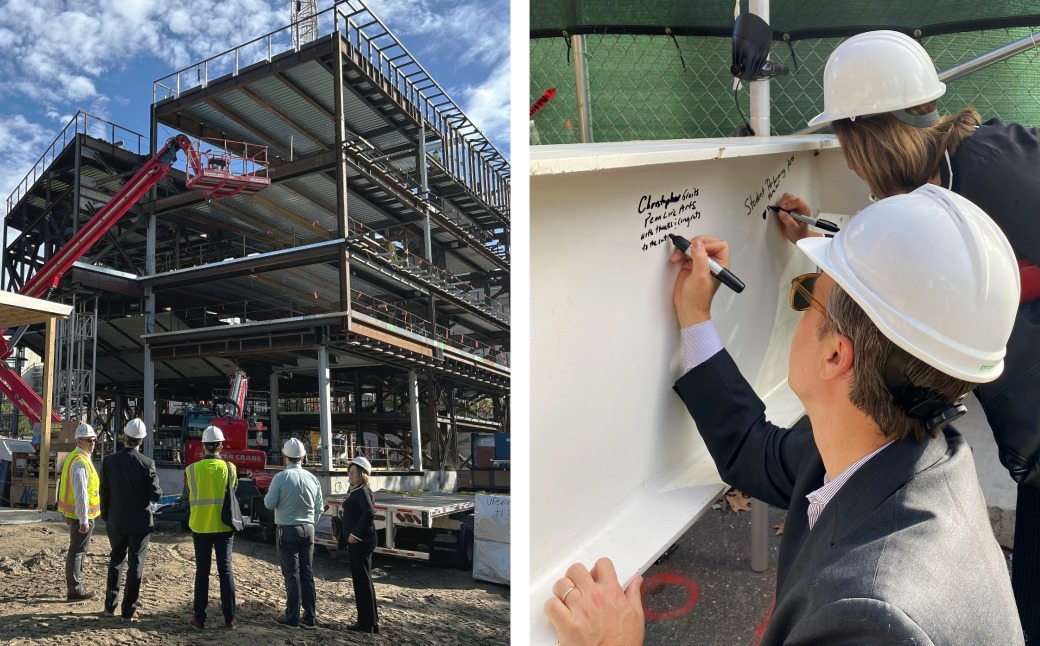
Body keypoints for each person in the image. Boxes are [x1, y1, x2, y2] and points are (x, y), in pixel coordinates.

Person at [547, 187, 1024, 644]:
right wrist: (695, 316)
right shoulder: (903, 452)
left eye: (806, 295)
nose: (797, 307)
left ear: (836, 356)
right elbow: (750, 449)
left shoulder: (875, 620)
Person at [774, 30, 1040, 642]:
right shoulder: (963, 167)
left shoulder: (989, 180)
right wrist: (828, 242)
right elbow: (920, 277)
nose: (845, 159)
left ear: (863, 135)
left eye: (844, 142)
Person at [99, 418, 163, 622]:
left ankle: (110, 607)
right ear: (141, 440)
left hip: (116, 520)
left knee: (116, 560)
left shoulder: (109, 462)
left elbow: (104, 492)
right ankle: (128, 610)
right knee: (136, 564)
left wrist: (106, 515)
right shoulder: (147, 464)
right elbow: (156, 495)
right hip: (139, 523)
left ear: (124, 437)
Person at [264, 437, 323, 630]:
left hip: (287, 529)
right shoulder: (312, 478)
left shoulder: (280, 478)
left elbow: (269, 503)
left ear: (284, 457)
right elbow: (319, 508)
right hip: (309, 529)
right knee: (307, 573)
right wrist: (310, 522)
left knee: (292, 574)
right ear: (303, 457)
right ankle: (310, 617)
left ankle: (292, 617)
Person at [185, 425, 239, 630]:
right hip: (224, 527)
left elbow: (188, 493)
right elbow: (233, 490)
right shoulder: (230, 468)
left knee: (202, 572)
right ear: (221, 446)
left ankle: (199, 619)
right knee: (225, 571)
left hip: (200, 526)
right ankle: (230, 618)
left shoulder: (191, 470)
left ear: (203, 446)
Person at [58, 422, 101, 602]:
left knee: (78, 550)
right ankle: (75, 589)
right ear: (79, 441)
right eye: (89, 440)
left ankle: (76, 585)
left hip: (79, 515)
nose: (92, 444)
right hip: (80, 516)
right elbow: (81, 493)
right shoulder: (80, 462)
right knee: (77, 551)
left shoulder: (79, 457)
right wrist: (84, 519)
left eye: (94, 440)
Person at [343, 456, 378, 634]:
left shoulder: (362, 491)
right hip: (360, 541)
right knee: (364, 581)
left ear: (362, 474)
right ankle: (370, 621)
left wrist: (354, 534)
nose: (350, 474)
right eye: (349, 471)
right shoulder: (357, 490)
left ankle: (366, 623)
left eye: (354, 472)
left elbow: (369, 513)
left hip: (360, 542)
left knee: (362, 582)